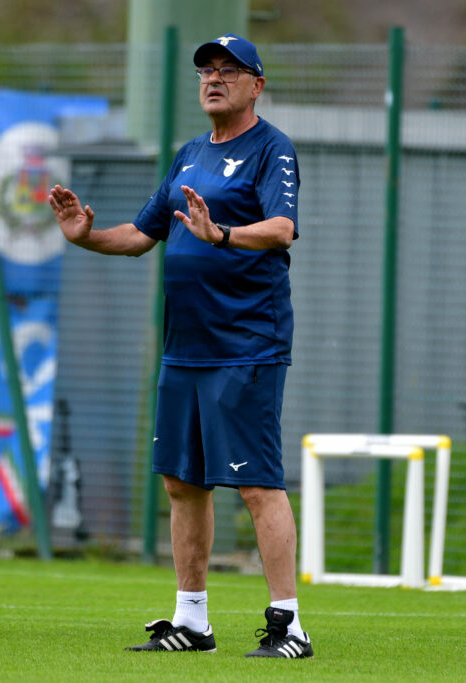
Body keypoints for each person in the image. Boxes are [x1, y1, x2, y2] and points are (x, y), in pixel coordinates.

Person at [49, 33, 312, 659]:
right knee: (180, 482)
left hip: (248, 342)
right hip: (185, 346)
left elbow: (282, 229)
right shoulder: (189, 153)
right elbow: (141, 236)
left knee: (256, 485)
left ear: (257, 84)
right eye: (206, 70)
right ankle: (191, 621)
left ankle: (289, 626)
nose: (213, 78)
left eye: (229, 69)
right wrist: (85, 235)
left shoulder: (271, 149)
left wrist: (219, 233)